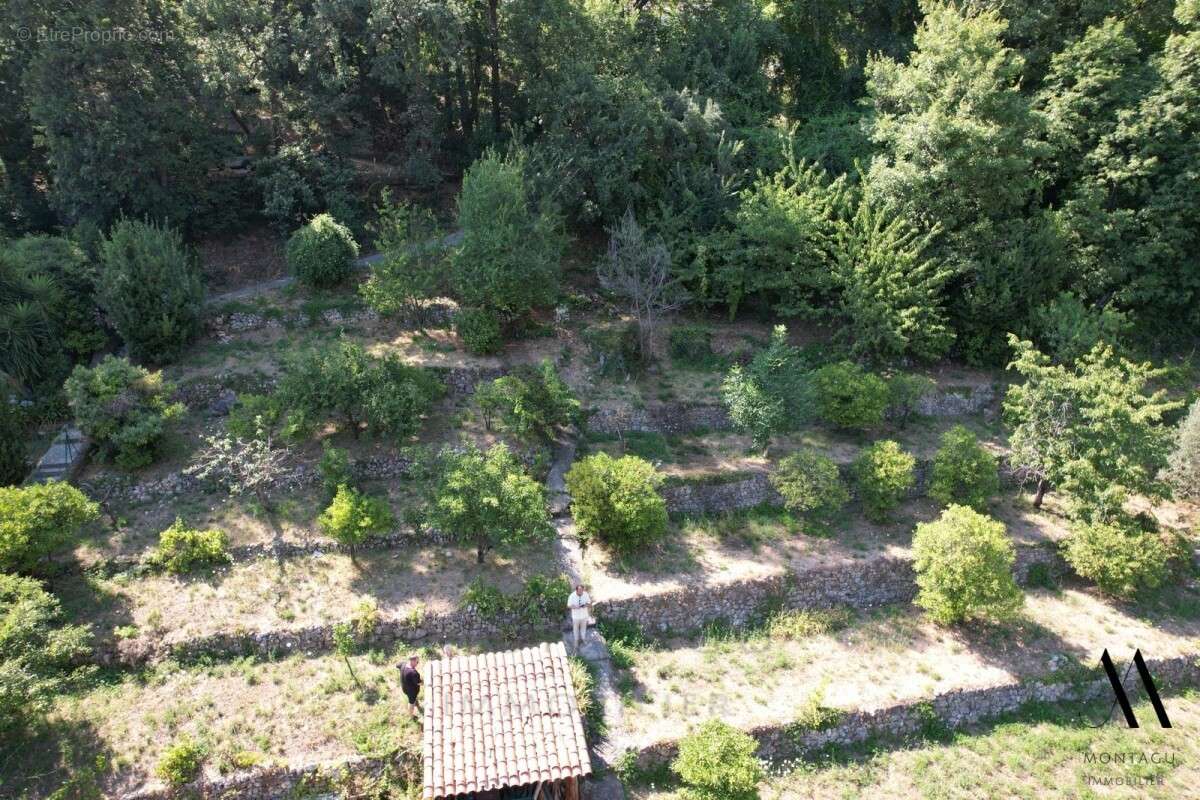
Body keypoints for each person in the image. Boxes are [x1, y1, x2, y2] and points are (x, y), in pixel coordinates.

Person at [567, 583, 592, 649]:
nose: (581, 592)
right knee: (575, 629)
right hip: (576, 616)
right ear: (576, 590)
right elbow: (568, 605)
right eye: (580, 590)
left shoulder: (585, 594)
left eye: (582, 590)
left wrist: (586, 605)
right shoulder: (572, 596)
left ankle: (583, 639)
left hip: (584, 615)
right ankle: (576, 641)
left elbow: (589, 603)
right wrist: (575, 607)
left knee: (584, 628)